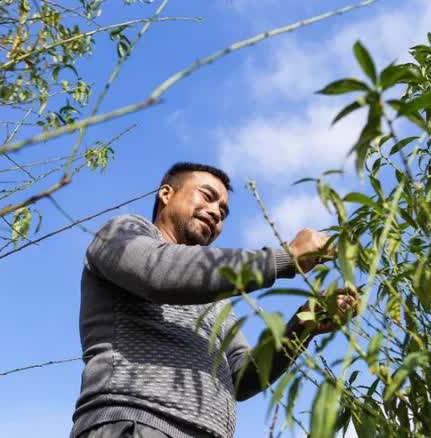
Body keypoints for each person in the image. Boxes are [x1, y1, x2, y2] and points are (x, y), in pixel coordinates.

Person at [70, 162, 358, 438]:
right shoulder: (122, 232)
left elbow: (243, 376)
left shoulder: (216, 301)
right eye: (207, 197)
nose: (216, 212)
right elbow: (156, 272)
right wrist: (286, 258)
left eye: (223, 211)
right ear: (166, 194)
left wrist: (303, 324)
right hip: (137, 422)